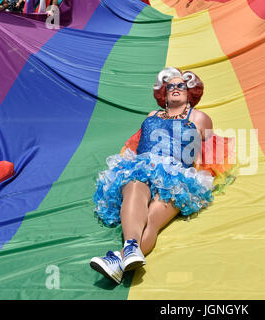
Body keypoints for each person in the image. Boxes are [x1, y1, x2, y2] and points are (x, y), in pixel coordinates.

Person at [90, 67, 217, 285]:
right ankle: (130, 249)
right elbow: (138, 144)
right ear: (163, 93)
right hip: (143, 166)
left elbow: (209, 153)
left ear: (190, 92)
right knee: (133, 186)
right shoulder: (152, 116)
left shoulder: (200, 117)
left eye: (181, 85)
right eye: (171, 86)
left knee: (152, 219)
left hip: (177, 176)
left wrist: (198, 181)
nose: (176, 88)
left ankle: (119, 260)